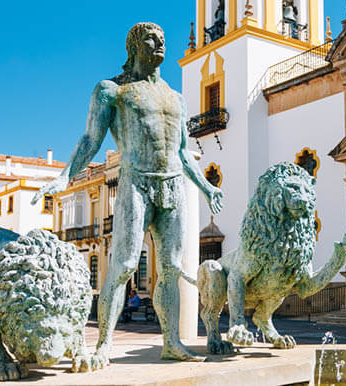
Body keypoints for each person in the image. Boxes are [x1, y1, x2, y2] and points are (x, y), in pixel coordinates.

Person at [33, 22, 224, 363]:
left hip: (172, 185)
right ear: (135, 46)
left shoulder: (175, 97)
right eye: (152, 39)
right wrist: (64, 177)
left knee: (169, 268)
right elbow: (91, 140)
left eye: (163, 39)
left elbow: (182, 152)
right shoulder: (112, 90)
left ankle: (171, 342)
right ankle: (104, 343)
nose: (160, 44)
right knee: (121, 265)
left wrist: (206, 186)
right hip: (135, 182)